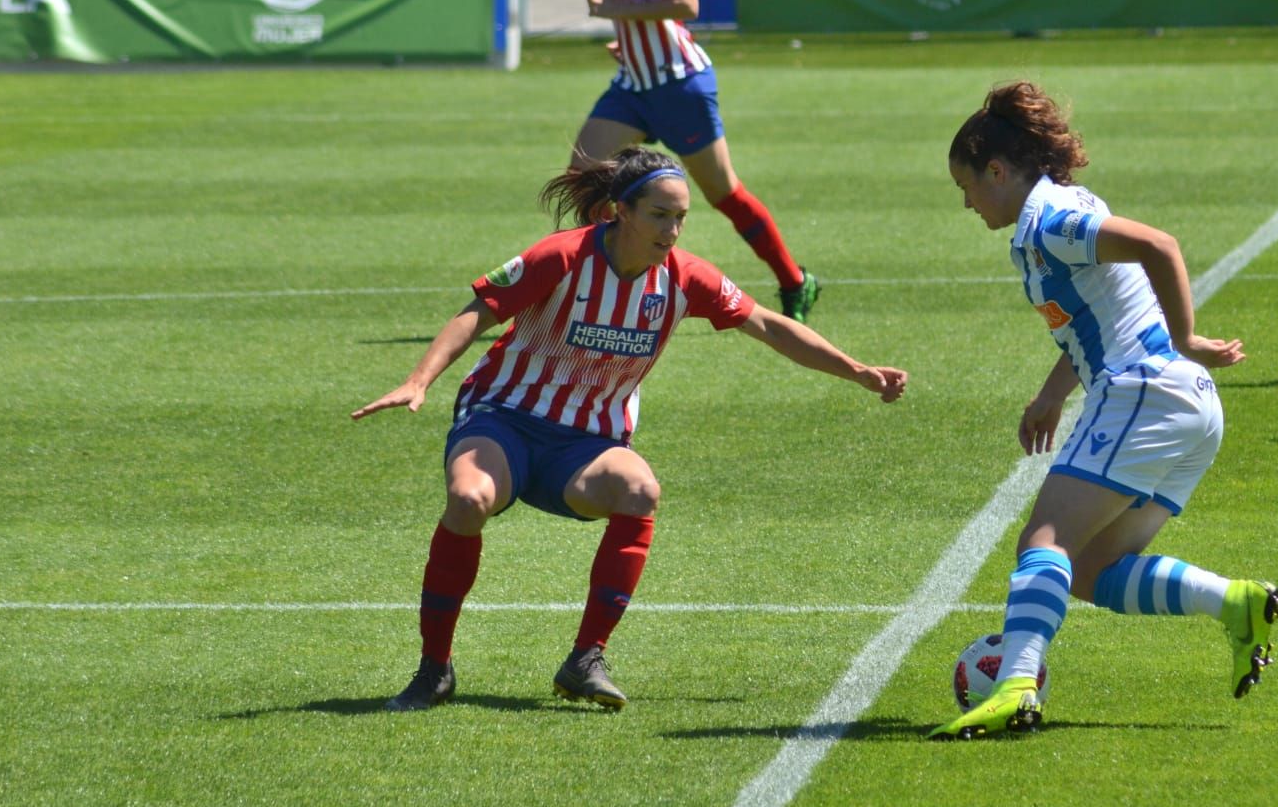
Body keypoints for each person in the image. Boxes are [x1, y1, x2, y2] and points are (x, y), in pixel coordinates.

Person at [354, 149, 907, 713]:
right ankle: (434, 670)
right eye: (661, 215)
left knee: (640, 490)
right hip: (505, 417)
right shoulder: (562, 257)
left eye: (681, 217)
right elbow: (479, 310)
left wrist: (857, 371)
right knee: (468, 499)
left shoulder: (686, 278)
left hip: (588, 443)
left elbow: (767, 324)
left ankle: (585, 659)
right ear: (622, 211)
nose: (673, 229)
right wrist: (419, 380)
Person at [927, 82, 1278, 741]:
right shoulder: (1050, 217)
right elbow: (1102, 309)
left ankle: (1015, 686)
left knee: (1044, 540)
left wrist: (1187, 339)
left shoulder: (1052, 220)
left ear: (998, 171)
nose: (966, 202)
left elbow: (1159, 247)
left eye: (966, 185)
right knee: (1088, 571)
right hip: (1188, 409)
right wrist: (1054, 392)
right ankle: (1237, 603)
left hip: (1146, 390)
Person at [569, 0, 821, 324]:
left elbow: (688, 3)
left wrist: (614, 10)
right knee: (582, 176)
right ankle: (594, 294)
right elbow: (643, 9)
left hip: (677, 83)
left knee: (724, 193)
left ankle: (794, 282)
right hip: (633, 82)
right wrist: (625, 41)